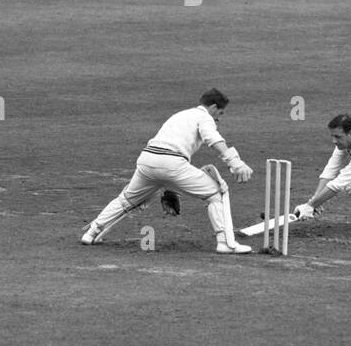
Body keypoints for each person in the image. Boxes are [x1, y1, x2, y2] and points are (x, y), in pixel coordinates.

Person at [81, 89, 256, 253]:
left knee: (126, 200)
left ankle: (92, 232)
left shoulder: (180, 115)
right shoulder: (204, 117)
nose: (219, 118)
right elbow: (213, 138)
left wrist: (168, 189)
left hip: (147, 161)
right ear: (213, 107)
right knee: (216, 192)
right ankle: (225, 243)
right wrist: (235, 162)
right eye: (220, 113)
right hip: (171, 163)